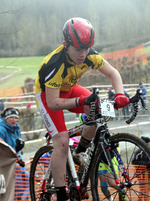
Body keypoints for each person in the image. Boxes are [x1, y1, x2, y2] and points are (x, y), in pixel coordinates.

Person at [35, 17, 129, 201]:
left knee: (97, 109)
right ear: (66, 45)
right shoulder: (56, 63)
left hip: (68, 89)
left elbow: (113, 73)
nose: (83, 54)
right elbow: (54, 103)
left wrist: (120, 94)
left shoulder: (89, 55)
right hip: (48, 95)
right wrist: (80, 100)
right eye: (78, 49)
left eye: (86, 48)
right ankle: (62, 194)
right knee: (61, 141)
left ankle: (80, 150)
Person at [0, 107, 29, 200]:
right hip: (5, 162)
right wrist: (15, 152)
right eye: (11, 118)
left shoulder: (16, 128)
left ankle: (21, 198)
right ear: (5, 118)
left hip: (15, 159)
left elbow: (16, 149)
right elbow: (3, 149)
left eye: (16, 118)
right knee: (14, 183)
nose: (14, 120)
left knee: (27, 178)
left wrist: (19, 156)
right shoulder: (1, 129)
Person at [132, 136, 150, 201]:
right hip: (140, 173)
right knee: (143, 189)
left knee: (147, 189)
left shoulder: (148, 151)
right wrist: (146, 164)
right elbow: (134, 161)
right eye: (149, 142)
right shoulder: (139, 151)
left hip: (148, 173)